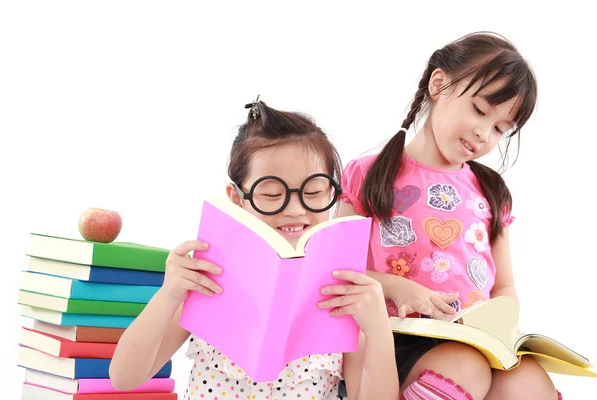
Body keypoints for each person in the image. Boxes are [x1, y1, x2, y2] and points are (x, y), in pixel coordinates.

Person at [109, 98, 399, 400]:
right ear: (236, 198)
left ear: (332, 193)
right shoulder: (208, 281)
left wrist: (378, 329)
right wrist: (169, 294)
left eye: (313, 192)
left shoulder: (342, 298)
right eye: (272, 195)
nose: (296, 210)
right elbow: (124, 377)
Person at [337, 32, 562, 399]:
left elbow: (503, 286)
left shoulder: (490, 192)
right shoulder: (369, 174)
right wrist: (395, 287)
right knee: (465, 368)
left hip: (469, 341)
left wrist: (501, 326)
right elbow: (328, 270)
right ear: (439, 84)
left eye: (500, 129)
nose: (483, 133)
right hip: (388, 340)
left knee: (529, 380)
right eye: (479, 110)